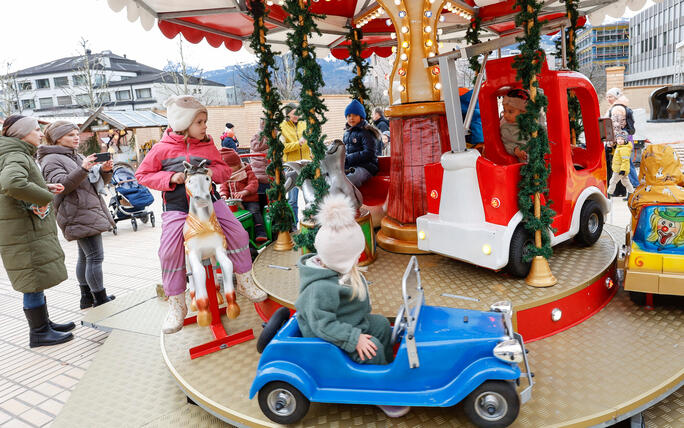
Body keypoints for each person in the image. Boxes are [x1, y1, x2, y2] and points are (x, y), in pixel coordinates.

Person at [135, 95, 267, 334]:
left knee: (237, 231)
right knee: (168, 250)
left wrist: (211, 172)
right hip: (177, 206)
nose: (205, 126)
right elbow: (142, 175)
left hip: (210, 201)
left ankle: (245, 281)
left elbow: (224, 169)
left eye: (205, 121)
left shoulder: (207, 144)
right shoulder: (161, 149)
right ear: (183, 124)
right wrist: (169, 178)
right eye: (200, 122)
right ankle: (177, 302)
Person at [295, 194, 410, 419]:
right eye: (355, 256)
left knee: (379, 324)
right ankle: (378, 391)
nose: (358, 260)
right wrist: (354, 338)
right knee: (372, 347)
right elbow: (322, 325)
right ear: (341, 257)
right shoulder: (320, 289)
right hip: (327, 339)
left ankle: (386, 369)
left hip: (344, 325)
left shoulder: (338, 271)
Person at [0, 115, 75, 347]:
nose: (41, 134)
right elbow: (12, 183)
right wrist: (45, 195)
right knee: (31, 278)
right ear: (22, 134)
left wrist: (43, 186)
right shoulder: (15, 154)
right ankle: (39, 332)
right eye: (36, 130)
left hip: (22, 227)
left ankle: (45, 324)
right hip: (22, 228)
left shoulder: (16, 152)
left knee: (35, 277)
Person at [38, 121, 117, 309]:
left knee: (86, 257)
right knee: (95, 257)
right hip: (77, 212)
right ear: (58, 138)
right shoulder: (51, 159)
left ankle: (87, 297)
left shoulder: (75, 155)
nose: (76, 138)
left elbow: (90, 182)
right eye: (71, 135)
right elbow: (60, 186)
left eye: (76, 134)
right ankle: (99, 297)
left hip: (85, 210)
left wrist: (105, 171)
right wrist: (83, 168)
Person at [219, 148, 268, 243]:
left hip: (249, 200)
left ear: (236, 164)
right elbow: (223, 187)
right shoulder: (226, 176)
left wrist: (244, 192)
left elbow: (253, 183)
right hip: (234, 202)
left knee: (254, 211)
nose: (226, 170)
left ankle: (260, 232)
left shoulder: (247, 171)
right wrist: (224, 195)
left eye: (228, 167)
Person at [280, 103, 310, 226]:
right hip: (292, 167)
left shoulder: (304, 123)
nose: (297, 115)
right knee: (293, 199)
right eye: (294, 113)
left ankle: (310, 221)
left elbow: (310, 141)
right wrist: (298, 143)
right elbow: (283, 148)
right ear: (287, 114)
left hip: (307, 165)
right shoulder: (282, 127)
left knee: (309, 196)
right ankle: (293, 225)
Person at [606, 88, 639, 193]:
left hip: (621, 138)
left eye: (610, 96)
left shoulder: (617, 108)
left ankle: (634, 186)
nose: (608, 99)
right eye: (607, 96)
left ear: (616, 97)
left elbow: (616, 126)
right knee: (625, 162)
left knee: (625, 162)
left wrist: (611, 142)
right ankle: (631, 187)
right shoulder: (621, 106)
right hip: (625, 137)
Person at [343, 99, 379, 188]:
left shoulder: (366, 132)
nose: (351, 118)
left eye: (355, 115)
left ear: (361, 117)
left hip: (366, 167)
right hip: (352, 166)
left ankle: (354, 200)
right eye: (349, 115)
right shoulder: (346, 133)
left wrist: (348, 158)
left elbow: (369, 153)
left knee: (349, 180)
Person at [500, 88, 532, 163]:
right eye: (504, 110)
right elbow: (507, 143)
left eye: (510, 112)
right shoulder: (506, 128)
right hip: (522, 157)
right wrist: (515, 149)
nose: (506, 115)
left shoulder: (529, 121)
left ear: (523, 112)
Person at [607, 131, 635, 198]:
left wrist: (623, 170)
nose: (619, 141)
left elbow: (625, 160)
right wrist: (611, 150)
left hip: (619, 170)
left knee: (613, 181)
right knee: (626, 182)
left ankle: (608, 193)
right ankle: (631, 193)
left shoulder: (624, 149)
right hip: (619, 169)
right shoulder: (619, 147)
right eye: (618, 139)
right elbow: (617, 155)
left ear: (625, 140)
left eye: (621, 139)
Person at [250, 118, 269, 209]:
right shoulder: (258, 137)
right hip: (261, 176)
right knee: (263, 201)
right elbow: (257, 147)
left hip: (270, 176)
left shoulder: (273, 137)